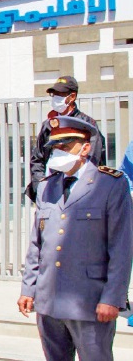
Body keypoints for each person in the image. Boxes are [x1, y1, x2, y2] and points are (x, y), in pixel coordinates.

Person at [18, 116, 132, 361]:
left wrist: (113, 298)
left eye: (65, 146)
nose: (59, 153)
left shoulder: (111, 184)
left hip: (89, 302)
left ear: (86, 148)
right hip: (49, 301)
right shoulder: (48, 186)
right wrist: (29, 288)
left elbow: (121, 247)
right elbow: (37, 244)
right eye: (56, 147)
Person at [25, 76, 106, 202]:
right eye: (54, 94)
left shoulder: (86, 124)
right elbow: (38, 159)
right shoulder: (49, 124)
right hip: (51, 188)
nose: (56, 97)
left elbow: (93, 160)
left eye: (60, 94)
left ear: (72, 97)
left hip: (79, 190)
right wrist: (40, 187)